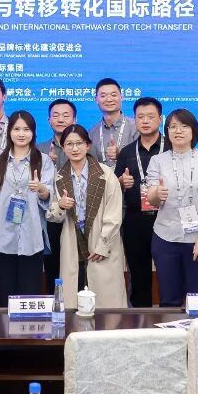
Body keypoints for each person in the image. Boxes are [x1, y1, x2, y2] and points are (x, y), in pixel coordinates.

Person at [145, 109, 198, 307]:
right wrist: (157, 194)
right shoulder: (157, 160)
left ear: (194, 131)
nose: (178, 131)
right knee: (168, 300)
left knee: (197, 299)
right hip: (165, 238)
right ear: (167, 131)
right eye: (172, 127)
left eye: (184, 126)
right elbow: (152, 200)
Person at [46, 125, 126, 309]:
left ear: (88, 145)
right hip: (73, 241)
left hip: (101, 241)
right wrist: (60, 205)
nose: (75, 148)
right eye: (69, 144)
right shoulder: (59, 177)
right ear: (63, 147)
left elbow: (114, 214)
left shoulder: (106, 174)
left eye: (79, 143)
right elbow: (52, 215)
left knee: (107, 301)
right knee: (72, 300)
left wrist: (103, 245)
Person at [0, 111, 54, 304]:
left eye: (26, 129)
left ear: (33, 132)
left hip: (32, 236)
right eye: (16, 129)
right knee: (5, 294)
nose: (21, 134)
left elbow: (49, 195)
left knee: (30, 293)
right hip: (3, 236)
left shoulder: (43, 160)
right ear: (9, 132)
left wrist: (41, 188)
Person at [113, 97, 165, 306]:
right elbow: (114, 186)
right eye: (140, 117)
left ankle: (170, 316)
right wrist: (120, 182)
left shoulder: (171, 147)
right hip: (135, 221)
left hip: (166, 218)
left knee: (168, 272)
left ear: (160, 119)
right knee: (138, 274)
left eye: (151, 116)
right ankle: (141, 318)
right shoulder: (127, 151)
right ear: (134, 120)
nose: (145, 121)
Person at [38, 98, 76, 285]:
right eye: (56, 115)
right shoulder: (40, 150)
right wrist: (47, 164)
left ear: (74, 120)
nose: (60, 119)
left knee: (77, 266)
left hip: (77, 216)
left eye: (66, 115)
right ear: (49, 120)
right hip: (50, 217)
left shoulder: (87, 147)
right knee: (52, 266)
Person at [89, 78, 137, 168]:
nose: (109, 99)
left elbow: (143, 159)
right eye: (103, 96)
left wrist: (121, 156)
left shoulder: (135, 127)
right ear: (96, 99)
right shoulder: (92, 133)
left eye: (113, 95)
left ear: (121, 97)